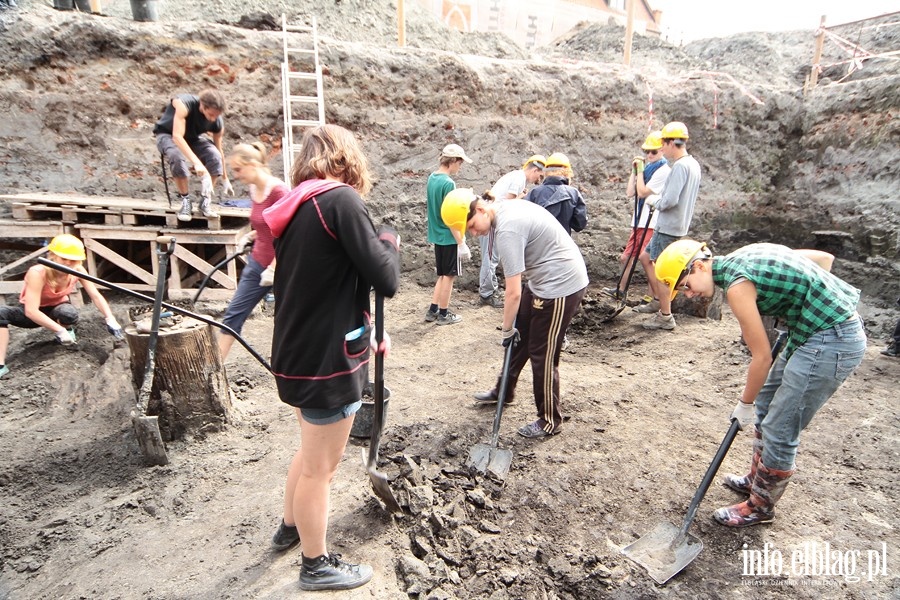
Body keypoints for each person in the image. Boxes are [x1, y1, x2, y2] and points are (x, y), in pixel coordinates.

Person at [261, 124, 400, 591]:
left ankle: (290, 527)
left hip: (299, 351)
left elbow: (332, 278)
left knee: (309, 448)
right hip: (328, 360)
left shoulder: (299, 205)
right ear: (346, 159)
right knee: (322, 467)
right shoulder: (339, 201)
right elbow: (387, 279)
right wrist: (389, 242)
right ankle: (315, 563)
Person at [654, 240, 866, 527]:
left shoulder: (737, 287)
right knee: (767, 402)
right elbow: (822, 260)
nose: (689, 294)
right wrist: (797, 304)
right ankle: (758, 480)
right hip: (810, 332)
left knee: (781, 424)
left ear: (700, 265)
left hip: (831, 340)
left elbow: (762, 357)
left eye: (686, 285)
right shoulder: (744, 256)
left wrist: (744, 404)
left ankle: (761, 506)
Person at [444, 189, 589, 438]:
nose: (474, 233)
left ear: (480, 209)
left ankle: (550, 419)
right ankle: (504, 392)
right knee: (520, 339)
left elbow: (512, 293)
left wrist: (506, 327)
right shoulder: (501, 210)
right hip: (541, 281)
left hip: (560, 287)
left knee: (541, 352)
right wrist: (513, 330)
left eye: (471, 226)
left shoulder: (508, 230)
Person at [0, 234, 124, 380]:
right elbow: (31, 311)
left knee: (68, 313)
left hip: (57, 309)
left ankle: (68, 328)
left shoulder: (77, 270)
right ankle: (1, 364)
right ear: (53, 256)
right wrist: (59, 330)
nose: (68, 264)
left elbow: (95, 295)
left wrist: (110, 318)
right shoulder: (38, 272)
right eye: (64, 259)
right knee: (1, 313)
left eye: (73, 260)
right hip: (33, 313)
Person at [216, 142, 288, 360]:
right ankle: (213, 372)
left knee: (290, 322)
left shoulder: (279, 191)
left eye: (238, 169)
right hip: (258, 263)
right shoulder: (253, 188)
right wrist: (253, 234)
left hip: (284, 269)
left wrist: (274, 267)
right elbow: (268, 224)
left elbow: (290, 233)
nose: (236, 175)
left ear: (254, 164)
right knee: (233, 315)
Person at [634, 121, 701, 330]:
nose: (662, 148)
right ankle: (657, 301)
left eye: (663, 143)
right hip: (674, 225)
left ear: (673, 142)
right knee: (646, 257)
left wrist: (654, 201)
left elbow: (670, 200)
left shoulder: (680, 166)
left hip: (668, 227)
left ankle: (665, 316)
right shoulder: (693, 164)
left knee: (663, 273)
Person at [602, 131, 670, 301]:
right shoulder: (647, 170)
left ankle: (655, 298)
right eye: (647, 151)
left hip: (651, 221)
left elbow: (642, 192)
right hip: (639, 220)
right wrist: (635, 171)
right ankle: (621, 290)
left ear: (662, 150)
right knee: (626, 257)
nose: (649, 155)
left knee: (648, 260)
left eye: (653, 152)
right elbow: (630, 192)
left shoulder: (663, 170)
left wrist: (640, 173)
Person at [153, 89, 234, 222]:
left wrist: (225, 178)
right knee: (176, 155)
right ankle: (186, 201)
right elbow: (177, 137)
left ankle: (205, 200)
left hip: (192, 137)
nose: (214, 119)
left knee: (214, 155)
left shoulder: (217, 121)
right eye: (211, 114)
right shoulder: (183, 104)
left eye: (216, 116)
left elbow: (219, 150)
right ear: (202, 105)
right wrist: (197, 163)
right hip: (168, 135)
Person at [478, 155, 547, 308]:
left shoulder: (516, 177)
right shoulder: (518, 178)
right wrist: (522, 197)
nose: (539, 180)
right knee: (490, 258)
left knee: (491, 258)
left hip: (492, 219)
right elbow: (508, 204)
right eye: (540, 175)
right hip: (490, 221)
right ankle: (486, 295)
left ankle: (488, 292)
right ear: (535, 170)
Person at [424, 144, 473, 325]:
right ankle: (444, 314)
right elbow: (451, 215)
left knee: (442, 274)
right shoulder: (448, 183)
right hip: (449, 236)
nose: (460, 167)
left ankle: (432, 310)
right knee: (449, 276)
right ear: (452, 161)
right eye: (459, 163)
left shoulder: (432, 178)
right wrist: (461, 242)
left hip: (437, 234)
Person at [524, 152, 587, 235]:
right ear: (567, 172)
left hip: (538, 245)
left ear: (546, 172)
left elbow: (525, 222)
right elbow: (579, 224)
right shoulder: (573, 193)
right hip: (561, 244)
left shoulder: (534, 193)